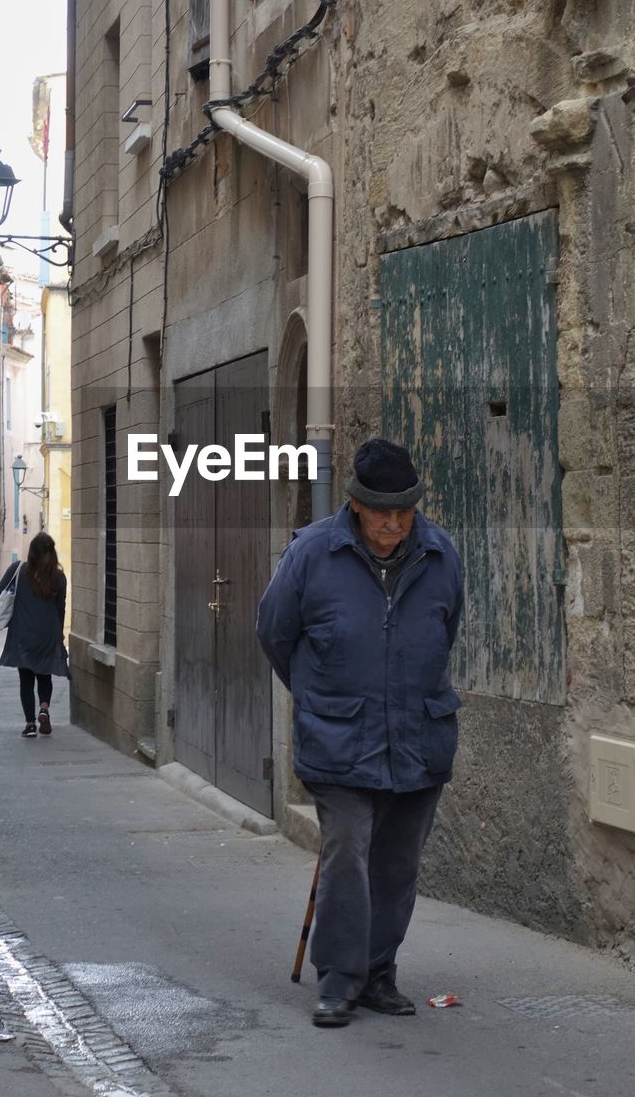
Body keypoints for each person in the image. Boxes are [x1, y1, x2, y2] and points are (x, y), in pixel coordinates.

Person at [256, 438, 464, 1028]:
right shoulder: (312, 554)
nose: (394, 524)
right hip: (338, 738)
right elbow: (274, 632)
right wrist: (321, 694)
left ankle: (378, 972)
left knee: (398, 865)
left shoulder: (441, 554)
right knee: (347, 853)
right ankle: (340, 978)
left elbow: (445, 632)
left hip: (419, 738)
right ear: (355, 504)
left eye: (405, 510)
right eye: (382, 512)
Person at [0, 531, 69, 738]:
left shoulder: (19, 570)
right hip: (48, 634)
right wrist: (59, 635)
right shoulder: (59, 577)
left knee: (26, 679)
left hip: (23, 632)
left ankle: (29, 725)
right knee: (44, 675)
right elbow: (60, 608)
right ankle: (44, 708)